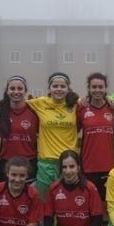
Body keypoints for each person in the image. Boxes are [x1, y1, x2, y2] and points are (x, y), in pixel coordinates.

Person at [26, 72, 79, 201]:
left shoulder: (76, 104)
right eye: (55, 86)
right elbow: (17, 101)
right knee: (44, 203)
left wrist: (110, 100)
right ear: (49, 88)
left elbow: (95, 100)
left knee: (68, 202)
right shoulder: (40, 103)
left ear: (68, 88)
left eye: (62, 86)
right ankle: (44, 222)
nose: (59, 89)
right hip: (46, 163)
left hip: (69, 162)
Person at [77, 73, 114, 202]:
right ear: (89, 88)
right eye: (94, 87)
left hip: (109, 165)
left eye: (101, 87)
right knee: (90, 203)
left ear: (106, 88)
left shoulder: (113, 108)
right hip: (88, 166)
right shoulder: (81, 108)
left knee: (107, 203)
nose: (97, 90)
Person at [0, 75, 38, 181]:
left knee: (28, 196)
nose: (16, 92)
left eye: (20, 88)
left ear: (25, 91)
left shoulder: (35, 111)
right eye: (12, 88)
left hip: (29, 162)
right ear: (7, 91)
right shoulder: (0, 111)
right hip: (6, 163)